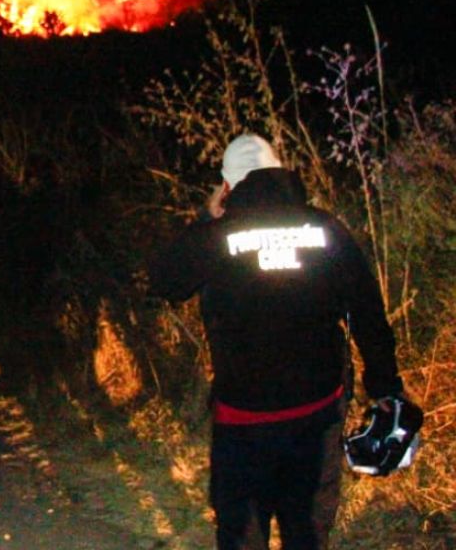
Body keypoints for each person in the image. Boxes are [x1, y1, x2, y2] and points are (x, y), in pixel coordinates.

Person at [148, 134, 413, 550]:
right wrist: (384, 388)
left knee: (242, 535)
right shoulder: (326, 229)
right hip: (317, 415)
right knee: (307, 532)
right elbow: (368, 312)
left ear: (229, 186)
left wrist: (205, 216)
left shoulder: (218, 236)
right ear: (280, 171)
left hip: (243, 419)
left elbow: (164, 279)